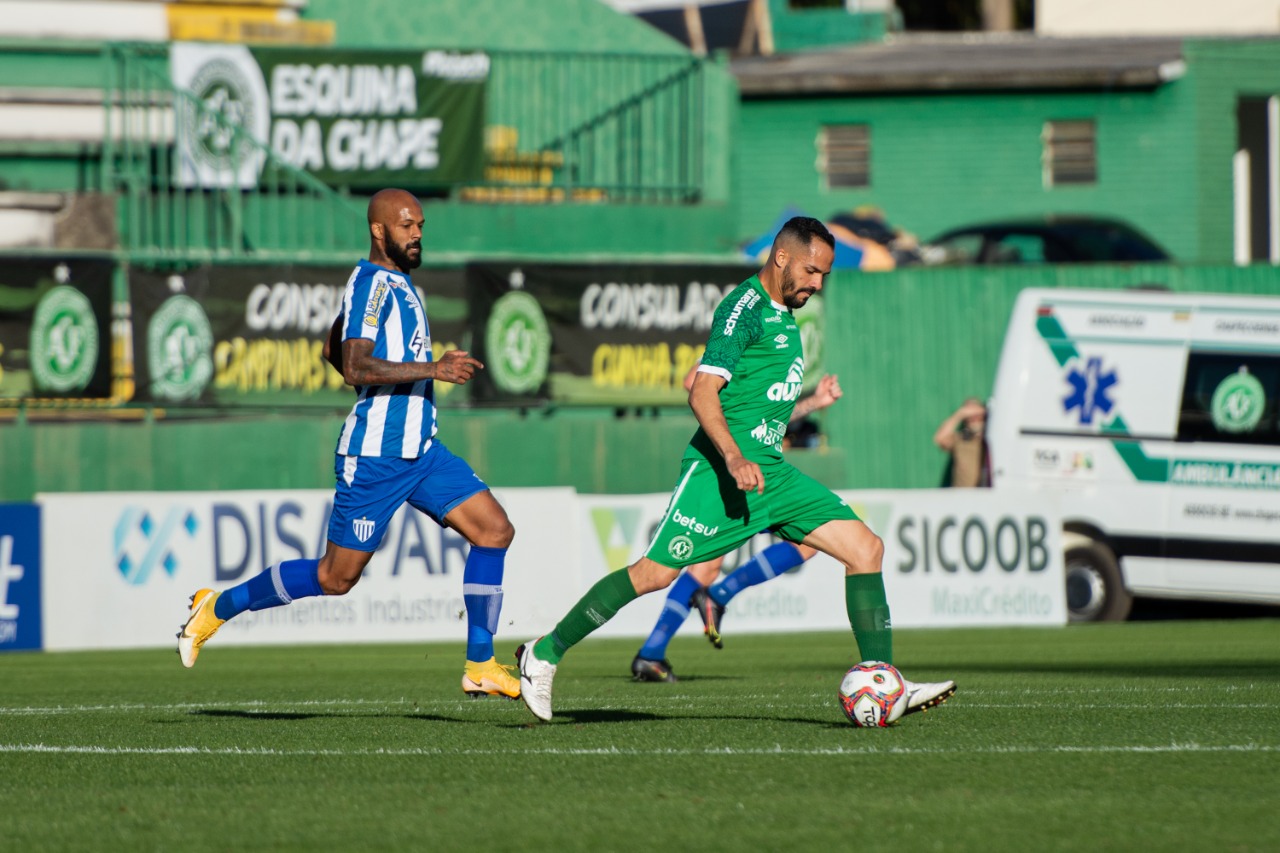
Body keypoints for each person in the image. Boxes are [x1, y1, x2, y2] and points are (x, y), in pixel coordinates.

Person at [514, 216, 956, 721]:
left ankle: (884, 681)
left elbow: (761, 406)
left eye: (824, 277)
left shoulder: (785, 316)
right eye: (812, 271)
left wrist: (807, 407)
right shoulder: (743, 309)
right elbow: (702, 389)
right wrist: (732, 456)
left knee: (865, 548)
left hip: (771, 472)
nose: (816, 284)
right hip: (720, 474)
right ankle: (543, 654)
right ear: (781, 257)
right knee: (654, 574)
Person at [176, 188, 522, 701]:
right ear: (379, 231)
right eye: (407, 226)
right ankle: (217, 607)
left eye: (421, 225)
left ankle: (480, 663)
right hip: (377, 455)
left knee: (494, 530)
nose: (418, 234)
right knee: (336, 578)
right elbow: (354, 364)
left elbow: (330, 349)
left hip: (422, 451)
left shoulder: (399, 285)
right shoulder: (372, 286)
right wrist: (434, 368)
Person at [630, 370, 843, 683]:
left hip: (751, 468)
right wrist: (730, 442)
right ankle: (708, 605)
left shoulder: (769, 343)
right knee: (808, 538)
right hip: (731, 470)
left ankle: (653, 651)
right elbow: (693, 383)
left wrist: (813, 402)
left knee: (711, 568)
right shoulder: (740, 332)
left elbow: (770, 419)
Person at [934, 397, 990, 487]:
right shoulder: (960, 440)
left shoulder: (992, 439)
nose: (974, 418)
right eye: (969, 415)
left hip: (986, 495)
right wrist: (959, 414)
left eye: (977, 414)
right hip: (961, 496)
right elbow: (940, 439)